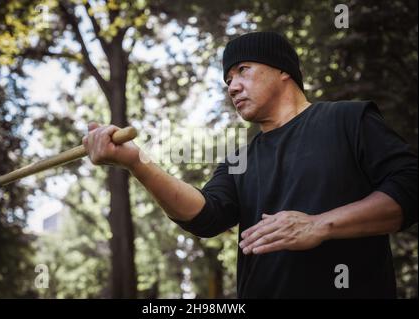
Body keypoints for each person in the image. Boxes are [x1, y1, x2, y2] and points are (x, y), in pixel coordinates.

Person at [82, 32, 418, 298]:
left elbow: (410, 186)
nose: (233, 86)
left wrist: (320, 225)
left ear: (283, 70)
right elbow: (205, 216)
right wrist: (138, 163)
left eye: (243, 70)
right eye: (228, 79)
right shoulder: (239, 159)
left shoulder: (347, 119)